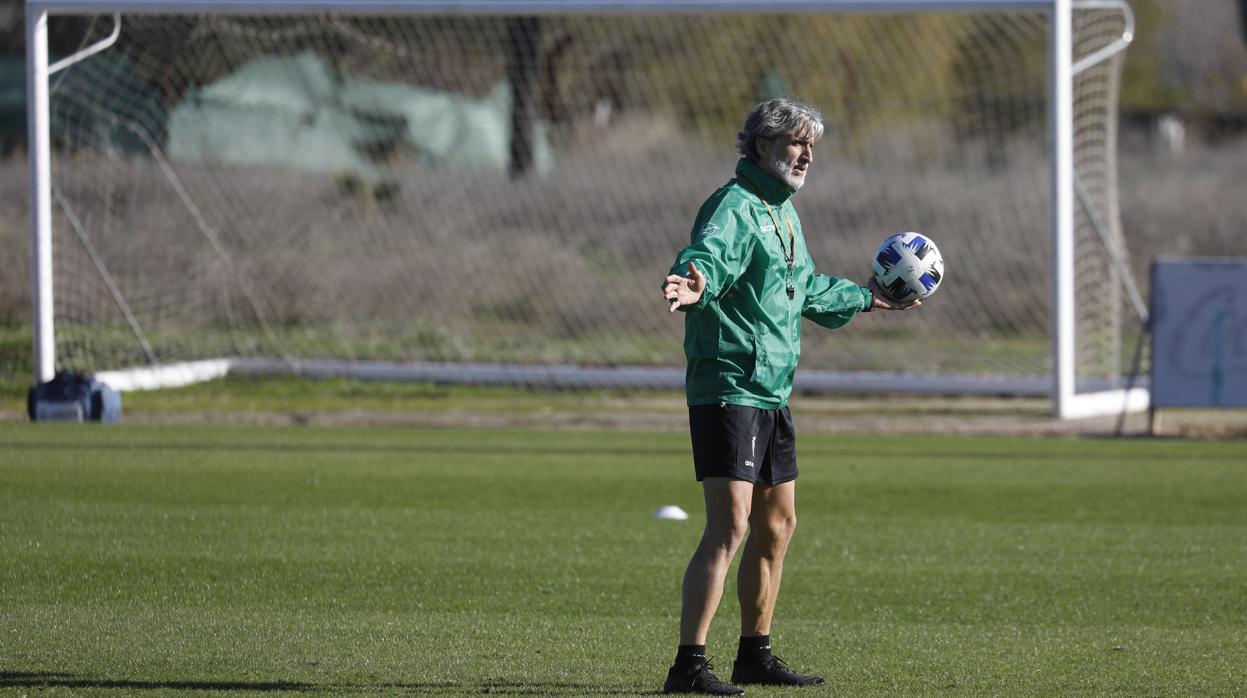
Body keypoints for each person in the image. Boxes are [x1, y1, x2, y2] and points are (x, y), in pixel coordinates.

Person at [660, 98, 920, 696]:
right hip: (728, 386)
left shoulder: (784, 216)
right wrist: (693, 282)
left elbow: (802, 289)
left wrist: (866, 298)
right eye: (794, 144)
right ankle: (688, 668)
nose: (805, 156)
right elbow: (708, 259)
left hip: (771, 391)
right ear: (759, 148)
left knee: (778, 525)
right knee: (731, 527)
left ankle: (754, 654)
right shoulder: (733, 209)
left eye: (810, 146)